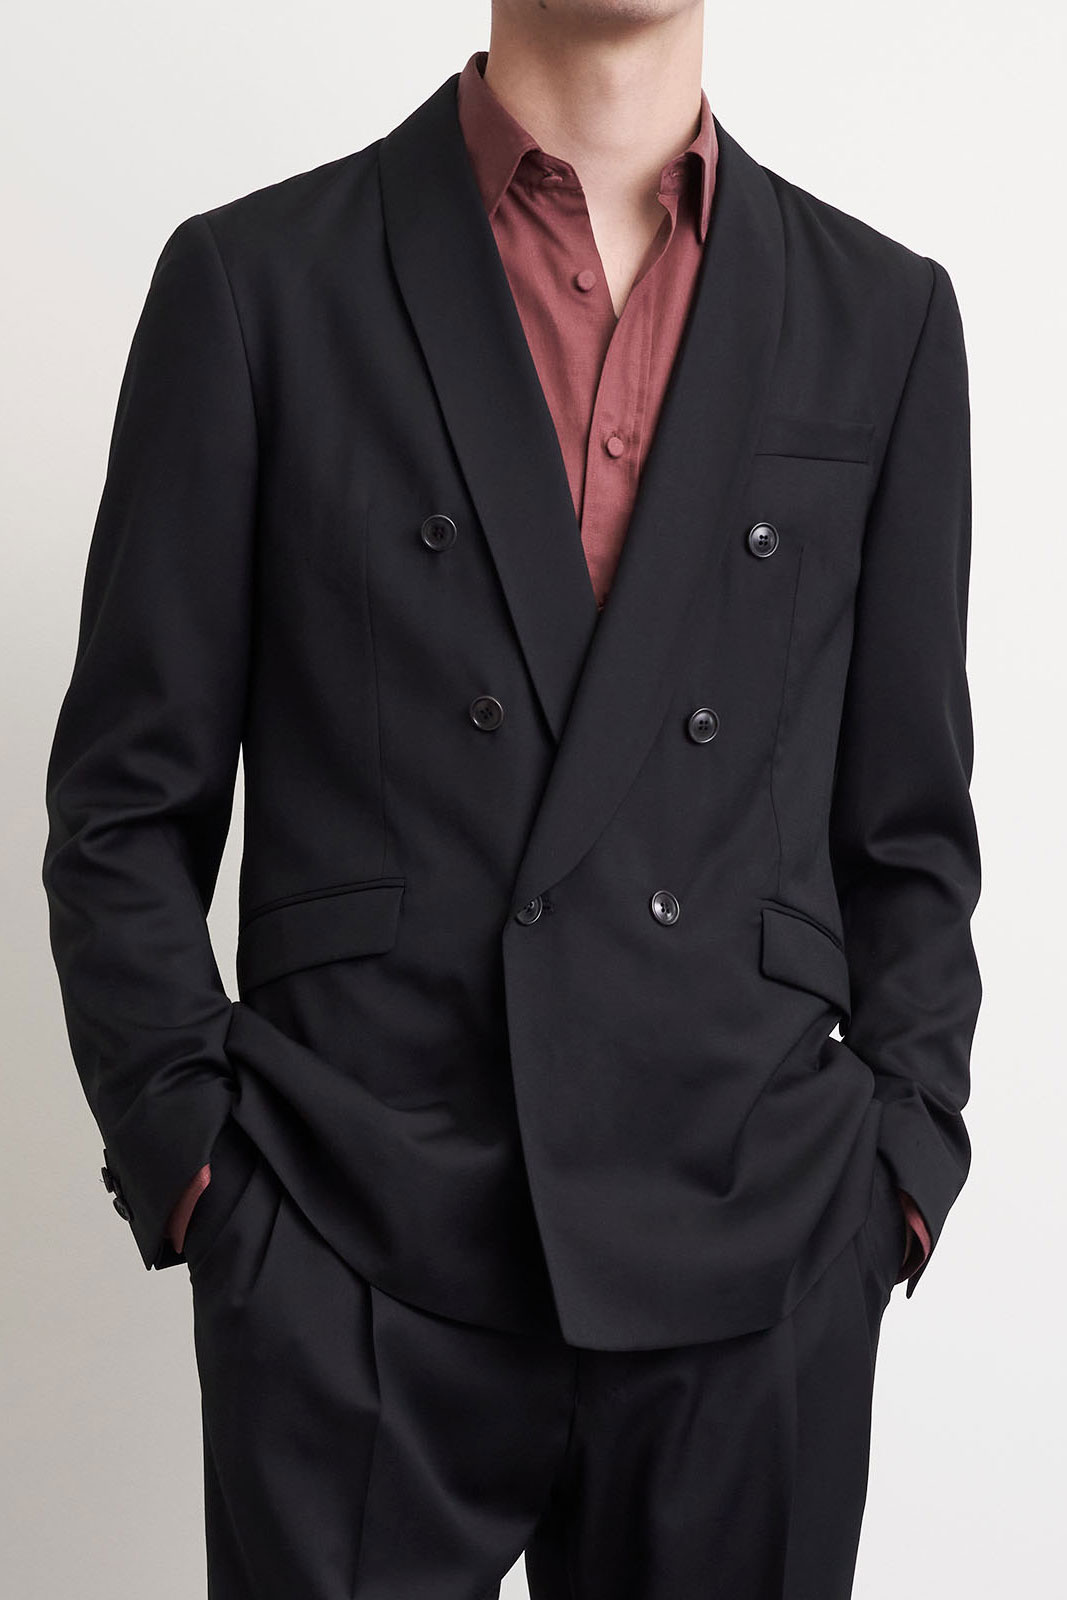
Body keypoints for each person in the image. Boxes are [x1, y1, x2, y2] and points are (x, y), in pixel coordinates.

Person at [41, 3, 981, 1595]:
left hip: (754, 1255)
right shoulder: (257, 282)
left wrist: (898, 1166)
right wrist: (201, 1166)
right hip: (352, 1243)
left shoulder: (881, 318)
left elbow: (910, 829)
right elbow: (125, 807)